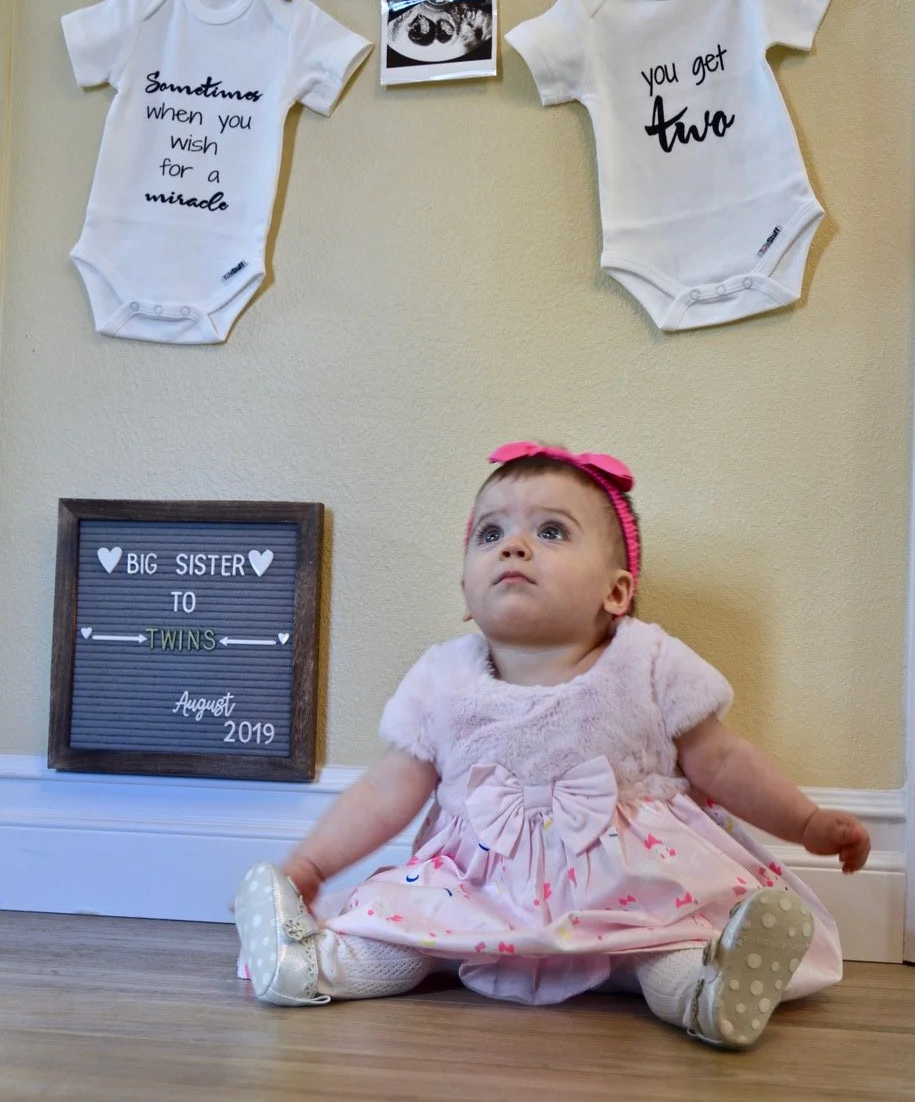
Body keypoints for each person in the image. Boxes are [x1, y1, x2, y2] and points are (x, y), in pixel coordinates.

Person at [234, 441, 870, 1048]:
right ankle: (309, 967)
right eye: (490, 534)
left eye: (551, 531)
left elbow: (723, 760)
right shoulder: (442, 677)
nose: (513, 545)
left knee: (671, 947)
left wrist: (806, 822)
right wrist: (313, 865)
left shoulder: (649, 661)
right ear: (465, 595)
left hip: (633, 886)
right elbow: (384, 790)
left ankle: (709, 992)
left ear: (616, 592)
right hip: (475, 886)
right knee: (400, 936)